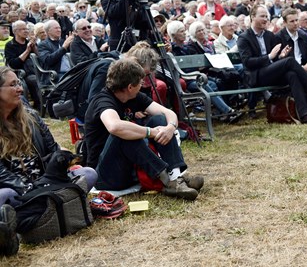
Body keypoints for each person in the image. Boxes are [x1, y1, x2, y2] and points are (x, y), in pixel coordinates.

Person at [0, 66, 97, 255]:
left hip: (48, 184)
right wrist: (30, 190)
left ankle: (16, 223)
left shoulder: (32, 117)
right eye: (13, 85)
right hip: (18, 193)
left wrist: (51, 179)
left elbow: (53, 151)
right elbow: (2, 174)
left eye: (19, 83)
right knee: (3, 195)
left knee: (88, 173)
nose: (20, 89)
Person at [84, 59, 204, 200]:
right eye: (140, 83)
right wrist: (150, 132)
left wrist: (170, 128)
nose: (142, 86)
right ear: (130, 87)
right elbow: (114, 126)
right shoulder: (103, 101)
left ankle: (176, 176)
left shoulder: (133, 96)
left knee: (160, 119)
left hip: (129, 167)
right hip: (106, 175)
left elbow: (168, 113)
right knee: (123, 134)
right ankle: (167, 181)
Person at [237, 5, 307, 124]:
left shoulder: (269, 35)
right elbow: (247, 63)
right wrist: (270, 56)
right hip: (256, 76)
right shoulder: (244, 37)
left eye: (266, 16)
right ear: (252, 17)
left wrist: (280, 56)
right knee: (290, 61)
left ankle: (305, 115)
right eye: (262, 16)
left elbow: (276, 60)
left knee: (292, 74)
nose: (266, 19)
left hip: (271, 73)